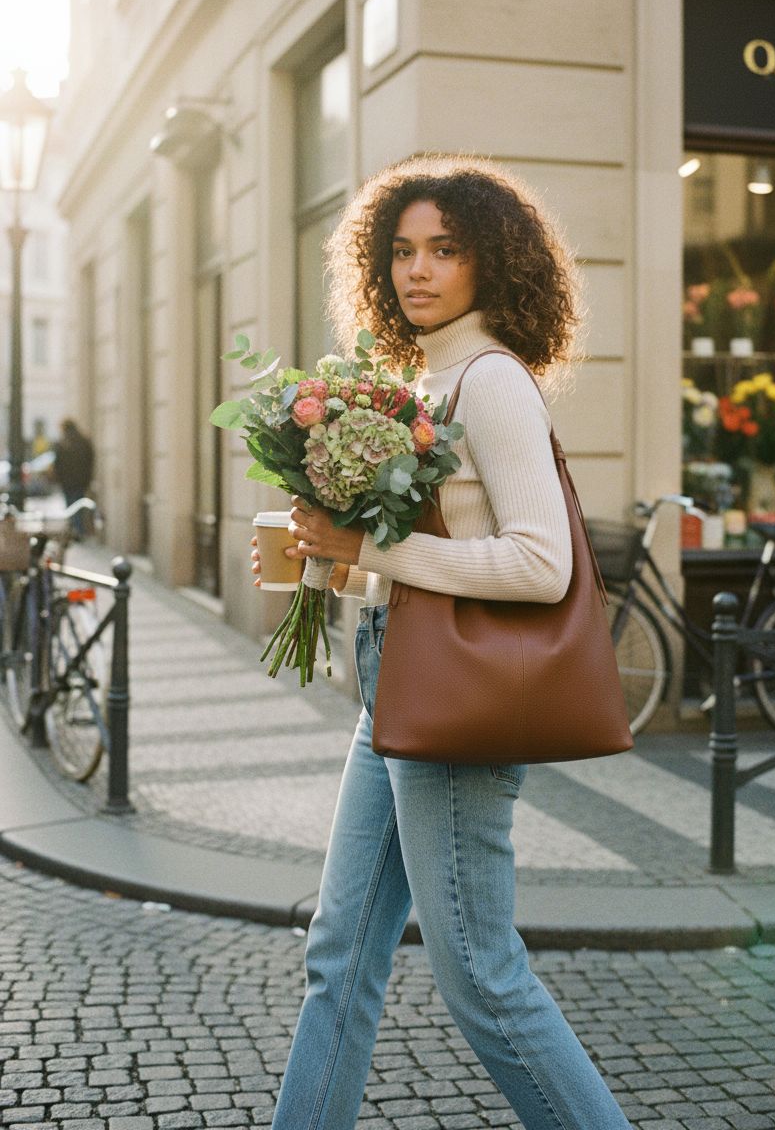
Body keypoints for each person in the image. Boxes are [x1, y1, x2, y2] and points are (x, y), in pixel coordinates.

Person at [251, 156, 632, 1129]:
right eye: (402, 251)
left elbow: (540, 565)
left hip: (458, 698)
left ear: (489, 262)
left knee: (482, 978)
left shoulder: (490, 380)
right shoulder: (422, 381)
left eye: (445, 249)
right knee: (340, 952)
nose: (417, 270)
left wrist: (369, 546)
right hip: (398, 680)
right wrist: (327, 558)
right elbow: (428, 558)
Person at [53, 419, 95, 538]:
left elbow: (58, 464)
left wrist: (59, 478)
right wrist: (88, 478)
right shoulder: (84, 441)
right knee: (79, 507)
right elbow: (90, 461)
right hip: (81, 481)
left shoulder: (63, 443)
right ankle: (78, 531)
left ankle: (75, 531)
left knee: (70, 507)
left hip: (67, 482)